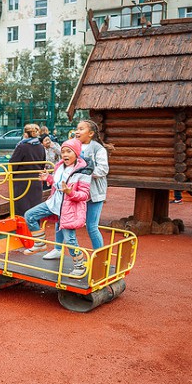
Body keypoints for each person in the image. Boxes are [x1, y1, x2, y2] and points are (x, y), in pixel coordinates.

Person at [22, 138, 92, 278]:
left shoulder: (82, 172)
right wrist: (48, 178)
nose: (65, 154)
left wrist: (70, 192)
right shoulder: (60, 166)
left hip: (69, 209)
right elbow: (57, 182)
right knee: (30, 215)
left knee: (70, 239)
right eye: (63, 151)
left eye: (69, 151)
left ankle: (80, 265)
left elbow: (84, 195)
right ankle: (40, 243)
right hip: (54, 204)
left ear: (76, 153)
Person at [54, 119, 113, 258]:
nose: (77, 131)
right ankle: (57, 249)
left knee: (91, 226)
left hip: (93, 193)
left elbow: (103, 169)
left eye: (81, 129)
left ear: (91, 133)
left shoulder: (98, 148)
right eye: (77, 128)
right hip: (72, 192)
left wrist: (84, 172)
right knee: (62, 219)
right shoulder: (73, 146)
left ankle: (100, 256)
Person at [9, 124, 47, 218]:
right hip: (36, 180)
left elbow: (13, 163)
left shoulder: (22, 146)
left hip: (22, 181)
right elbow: (43, 163)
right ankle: (35, 231)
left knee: (21, 210)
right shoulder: (41, 147)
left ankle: (22, 232)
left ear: (26, 134)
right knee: (34, 210)